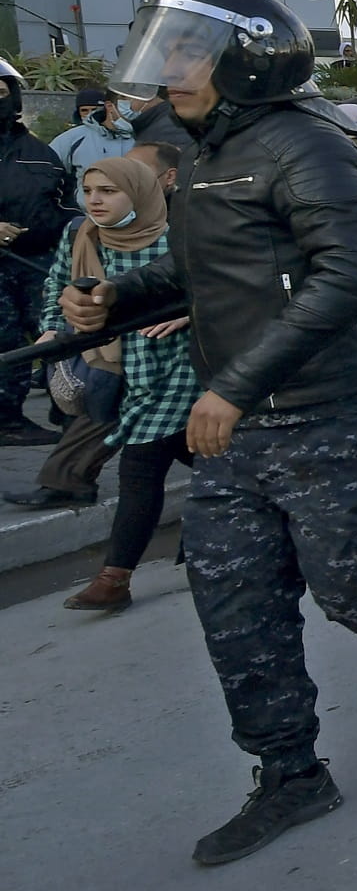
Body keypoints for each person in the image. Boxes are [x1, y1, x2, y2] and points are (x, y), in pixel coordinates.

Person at [64, 0, 357, 864]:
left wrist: (232, 386)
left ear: (249, 59)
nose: (172, 71)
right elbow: (211, 279)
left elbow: (345, 277)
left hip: (327, 416)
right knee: (233, 602)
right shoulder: (198, 157)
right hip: (236, 426)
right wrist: (114, 298)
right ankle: (291, 775)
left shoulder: (306, 145)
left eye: (191, 53)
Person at [49, 157, 195, 611]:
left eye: (109, 191)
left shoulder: (181, 237)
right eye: (89, 190)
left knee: (140, 466)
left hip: (184, 368)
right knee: (208, 457)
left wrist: (191, 312)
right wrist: (55, 329)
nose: (95, 200)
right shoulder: (80, 237)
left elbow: (224, 288)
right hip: (120, 375)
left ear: (141, 192)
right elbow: (57, 291)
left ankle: (115, 579)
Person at [0, 57, 70, 445]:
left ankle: (70, 412)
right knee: (5, 343)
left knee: (55, 334)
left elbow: (68, 204)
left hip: (37, 261)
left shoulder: (40, 153)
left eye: (0, 89)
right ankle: (7, 419)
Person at [49, 89, 137, 187]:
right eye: (84, 110)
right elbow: (49, 168)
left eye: (94, 109)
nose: (89, 113)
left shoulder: (138, 137)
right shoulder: (72, 138)